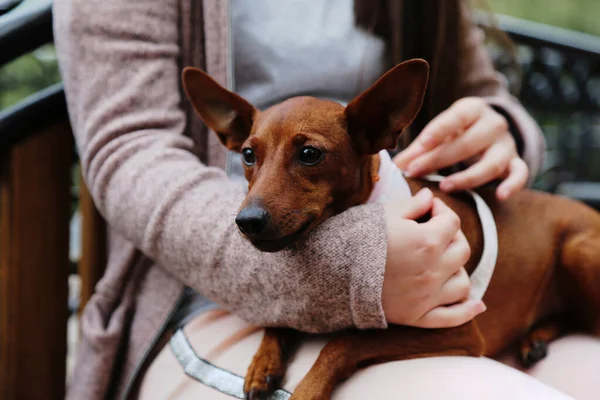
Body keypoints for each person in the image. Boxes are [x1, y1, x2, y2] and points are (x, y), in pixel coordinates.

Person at [53, 0, 599, 399]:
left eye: (308, 157)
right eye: (249, 155)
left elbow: (480, 92)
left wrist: (498, 126)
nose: (262, 187)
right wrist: (353, 263)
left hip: (456, 258)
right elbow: (128, 151)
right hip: (206, 289)